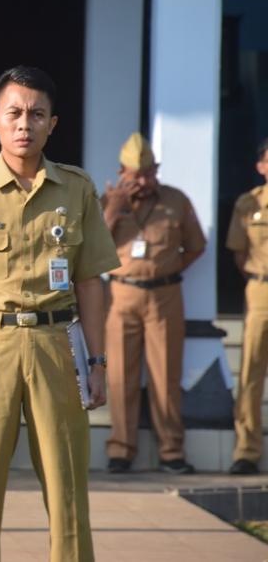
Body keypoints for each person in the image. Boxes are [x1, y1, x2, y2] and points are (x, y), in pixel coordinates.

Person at [0, 66, 119, 561]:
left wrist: (97, 363)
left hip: (58, 345)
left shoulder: (76, 189)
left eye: (36, 114)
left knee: (67, 486)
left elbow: (90, 281)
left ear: (52, 124)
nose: (24, 124)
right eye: (14, 113)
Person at [102, 132, 205, 475]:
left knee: (166, 375)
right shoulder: (107, 201)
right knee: (121, 376)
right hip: (121, 296)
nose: (144, 182)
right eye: (136, 175)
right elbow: (91, 248)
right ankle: (121, 448)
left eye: (149, 174)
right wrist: (114, 210)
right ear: (122, 173)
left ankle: (171, 451)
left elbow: (196, 246)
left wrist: (168, 270)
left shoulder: (176, 200)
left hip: (165, 296)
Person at [226, 139, 268, 475]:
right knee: (251, 373)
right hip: (261, 290)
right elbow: (240, 254)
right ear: (261, 167)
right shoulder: (248, 203)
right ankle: (247, 451)